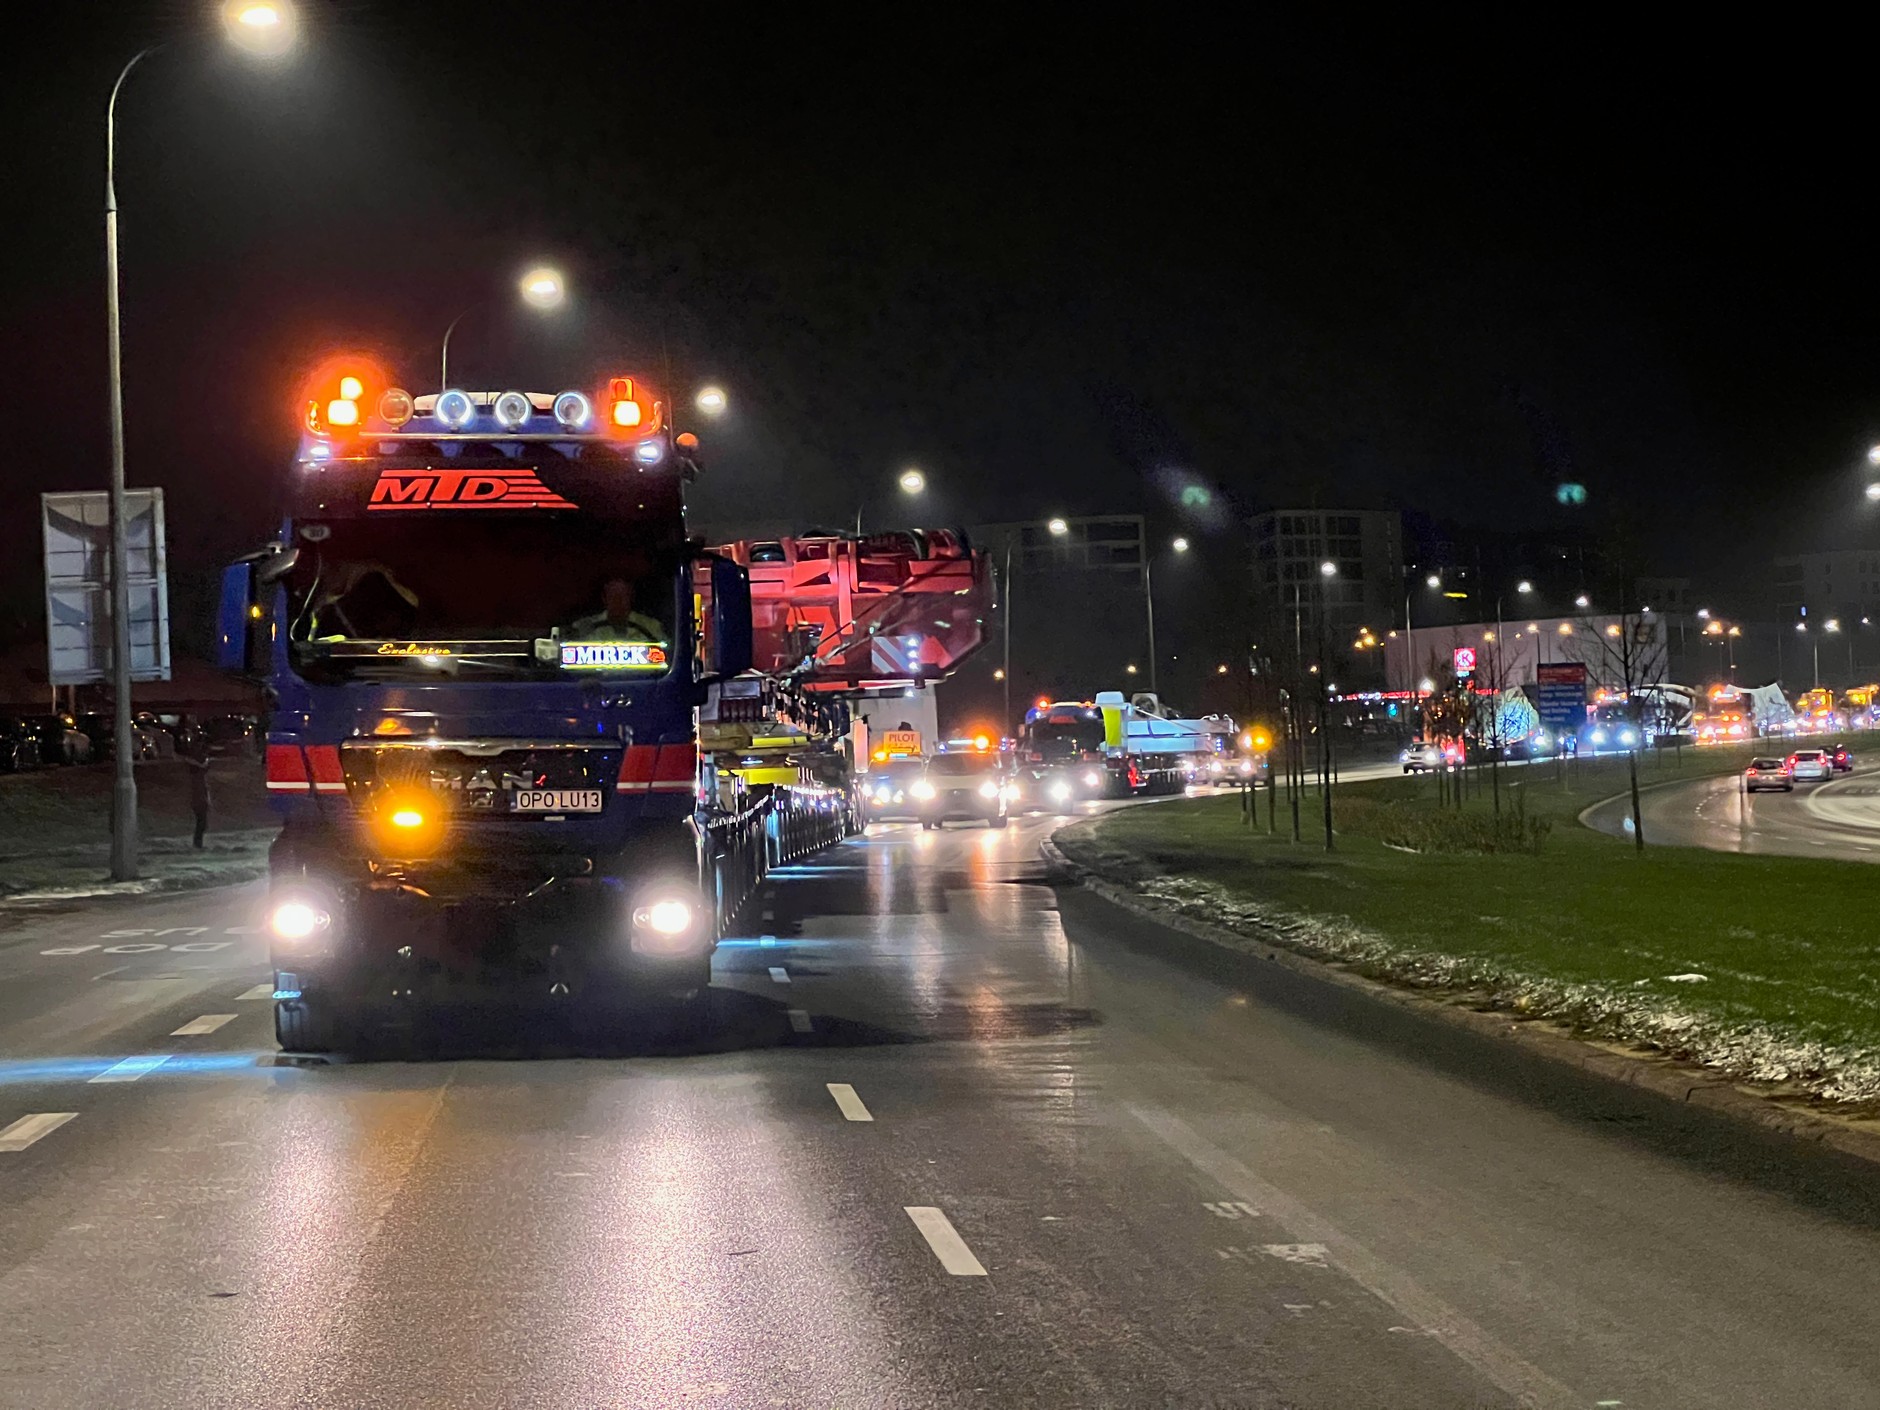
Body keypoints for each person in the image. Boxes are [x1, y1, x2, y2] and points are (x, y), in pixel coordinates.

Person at [571, 577, 667, 643]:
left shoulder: (652, 627)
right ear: (604, 599)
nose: (618, 601)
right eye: (613, 596)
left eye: (623, 596)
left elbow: (667, 656)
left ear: (630, 598)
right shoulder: (584, 627)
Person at [181, 719, 211, 849]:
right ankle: (197, 844)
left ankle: (197, 844)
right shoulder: (198, 776)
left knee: (201, 823)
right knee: (202, 823)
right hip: (199, 800)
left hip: (199, 799)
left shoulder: (198, 776)